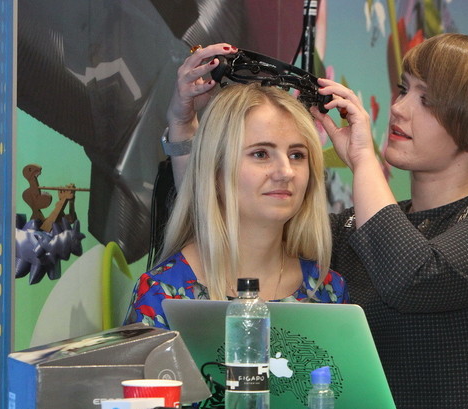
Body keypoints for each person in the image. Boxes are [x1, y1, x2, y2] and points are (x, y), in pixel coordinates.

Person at [164, 35, 468, 409]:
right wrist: (184, 124)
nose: (398, 108)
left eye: (426, 100)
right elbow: (231, 221)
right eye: (403, 89)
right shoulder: (353, 229)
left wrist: (364, 160)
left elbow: (414, 277)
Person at [124, 81, 347, 329]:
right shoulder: (161, 293)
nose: (286, 171)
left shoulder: (328, 290)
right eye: (261, 154)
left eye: (297, 155)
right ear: (215, 169)